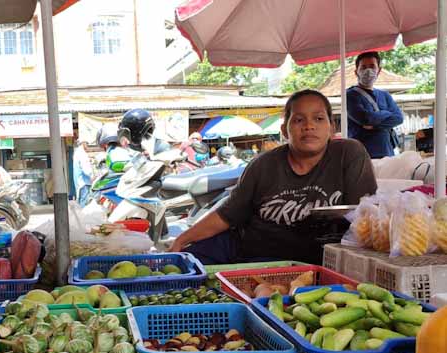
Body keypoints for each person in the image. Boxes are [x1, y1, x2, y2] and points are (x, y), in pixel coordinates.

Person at [169, 89, 377, 265]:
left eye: (318, 118)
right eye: (298, 119)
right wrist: (181, 240)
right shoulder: (263, 165)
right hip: (255, 257)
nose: (309, 126)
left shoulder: (348, 154)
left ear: (332, 127)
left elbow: (365, 214)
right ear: (284, 130)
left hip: (317, 261)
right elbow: (228, 214)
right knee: (186, 264)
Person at [347, 51, 404, 159]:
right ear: (356, 72)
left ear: (379, 71)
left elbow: (399, 118)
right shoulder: (350, 95)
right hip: (362, 156)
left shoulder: (385, 95)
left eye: (372, 66)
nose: (368, 71)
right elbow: (366, 118)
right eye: (363, 67)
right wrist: (386, 114)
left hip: (387, 153)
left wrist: (374, 125)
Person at [72, 138, 94, 207]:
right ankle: (83, 217)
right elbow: (85, 168)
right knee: (84, 203)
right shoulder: (82, 153)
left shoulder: (77, 152)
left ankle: (82, 216)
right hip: (84, 183)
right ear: (83, 143)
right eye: (87, 144)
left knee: (82, 201)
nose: (87, 146)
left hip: (80, 183)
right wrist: (92, 176)